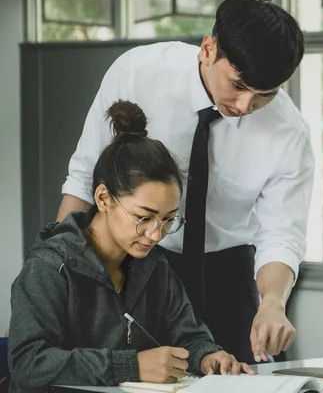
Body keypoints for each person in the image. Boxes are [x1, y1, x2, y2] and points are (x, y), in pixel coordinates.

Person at [56, 0, 314, 364]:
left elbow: (281, 234)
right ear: (208, 49)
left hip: (226, 271)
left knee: (233, 377)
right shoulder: (138, 73)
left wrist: (272, 303)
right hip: (132, 259)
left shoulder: (289, 132)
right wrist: (52, 272)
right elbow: (84, 179)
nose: (244, 108)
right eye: (239, 86)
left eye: (265, 95)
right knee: (124, 373)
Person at [8, 101, 254, 393]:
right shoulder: (49, 266)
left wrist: (208, 357)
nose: (155, 233)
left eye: (168, 220)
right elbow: (27, 364)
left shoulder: (155, 266)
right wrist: (132, 366)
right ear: (102, 198)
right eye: (144, 217)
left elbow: (189, 336)